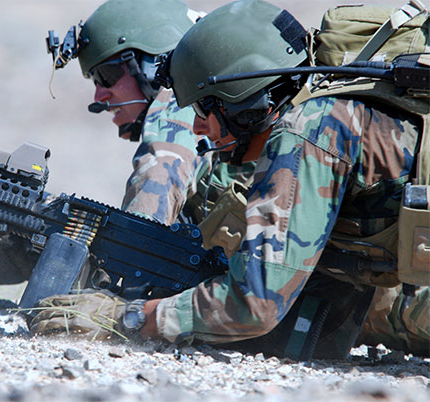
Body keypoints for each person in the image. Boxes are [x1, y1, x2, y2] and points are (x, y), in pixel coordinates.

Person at [31, 0, 429, 359]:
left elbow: (256, 303)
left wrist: (124, 318)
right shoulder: (329, 115)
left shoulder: (308, 129)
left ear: (246, 101)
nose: (198, 126)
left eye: (206, 108)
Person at [49, 0, 253, 226]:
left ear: (151, 67)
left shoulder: (182, 100)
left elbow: (159, 177)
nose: (99, 96)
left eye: (106, 75)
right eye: (95, 81)